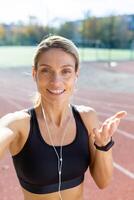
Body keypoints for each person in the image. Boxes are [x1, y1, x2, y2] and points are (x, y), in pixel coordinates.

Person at [0, 35, 127, 200]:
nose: (56, 81)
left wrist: (103, 145)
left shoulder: (87, 118)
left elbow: (103, 182)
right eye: (46, 70)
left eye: (65, 71)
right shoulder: (19, 124)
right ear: (34, 73)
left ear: (76, 75)